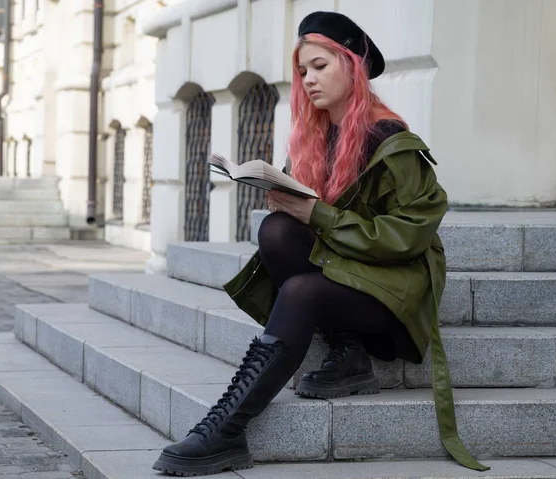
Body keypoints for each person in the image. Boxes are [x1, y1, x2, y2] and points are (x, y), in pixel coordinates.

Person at [153, 11, 489, 476]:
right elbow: (311, 224)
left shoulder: (393, 143)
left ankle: (226, 429)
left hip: (394, 294)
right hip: (352, 277)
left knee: (299, 291)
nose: (308, 79)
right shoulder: (314, 136)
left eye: (320, 66)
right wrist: (287, 202)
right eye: (303, 70)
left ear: (351, 66)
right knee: (275, 231)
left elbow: (407, 238)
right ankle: (347, 352)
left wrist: (318, 214)